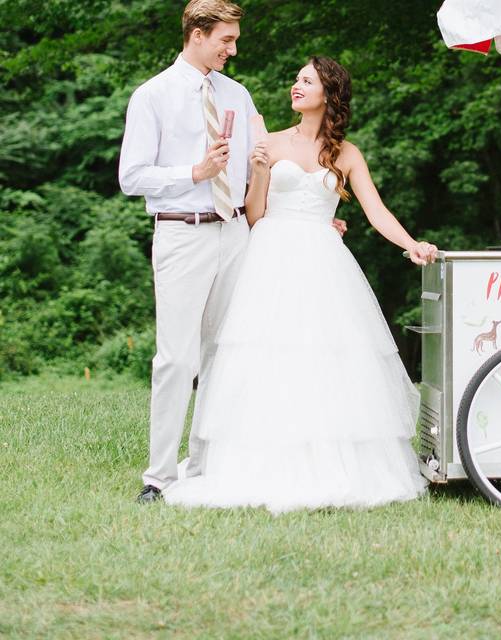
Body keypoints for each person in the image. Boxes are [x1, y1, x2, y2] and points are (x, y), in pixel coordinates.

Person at [163, 57, 437, 512]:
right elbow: (254, 215)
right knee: (269, 358)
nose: (295, 86)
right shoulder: (268, 142)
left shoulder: (346, 153)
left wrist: (411, 243)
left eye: (306, 81)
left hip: (324, 261)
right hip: (271, 257)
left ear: (328, 94)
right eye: (296, 79)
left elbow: (375, 210)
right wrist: (262, 171)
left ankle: (332, 464)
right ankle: (261, 465)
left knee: (327, 358)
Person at [119, 1, 345, 504]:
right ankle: (158, 476)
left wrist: (308, 211)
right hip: (182, 233)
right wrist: (191, 174)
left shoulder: (237, 95)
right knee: (177, 358)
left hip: (238, 234)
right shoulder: (152, 96)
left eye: (235, 39)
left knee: (224, 353)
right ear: (197, 34)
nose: (233, 49)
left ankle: (204, 463)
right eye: (226, 39)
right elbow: (130, 175)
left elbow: (260, 163)